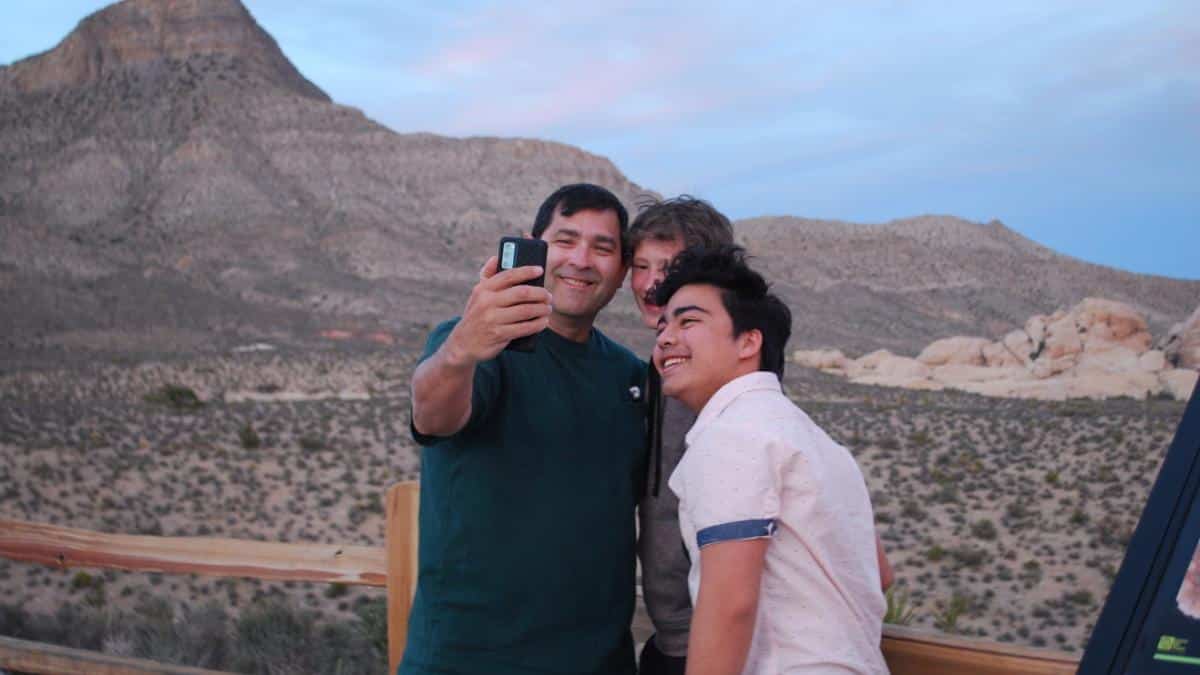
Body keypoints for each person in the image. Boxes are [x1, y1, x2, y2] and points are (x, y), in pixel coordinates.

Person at [628, 199, 893, 675]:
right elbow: (880, 574)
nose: (665, 336)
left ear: (748, 341)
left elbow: (729, 605)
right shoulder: (811, 438)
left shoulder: (732, 435)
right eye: (665, 323)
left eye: (688, 321)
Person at [404, 183, 647, 674]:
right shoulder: (478, 350)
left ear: (621, 272)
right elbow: (432, 416)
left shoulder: (631, 377)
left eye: (603, 248)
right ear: (532, 247)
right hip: (469, 663)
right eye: (565, 240)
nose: (581, 259)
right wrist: (460, 350)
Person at [627, 196, 735, 675]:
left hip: (714, 648)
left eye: (669, 267)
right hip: (670, 642)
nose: (651, 284)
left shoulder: (726, 383)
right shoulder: (661, 369)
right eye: (641, 265)